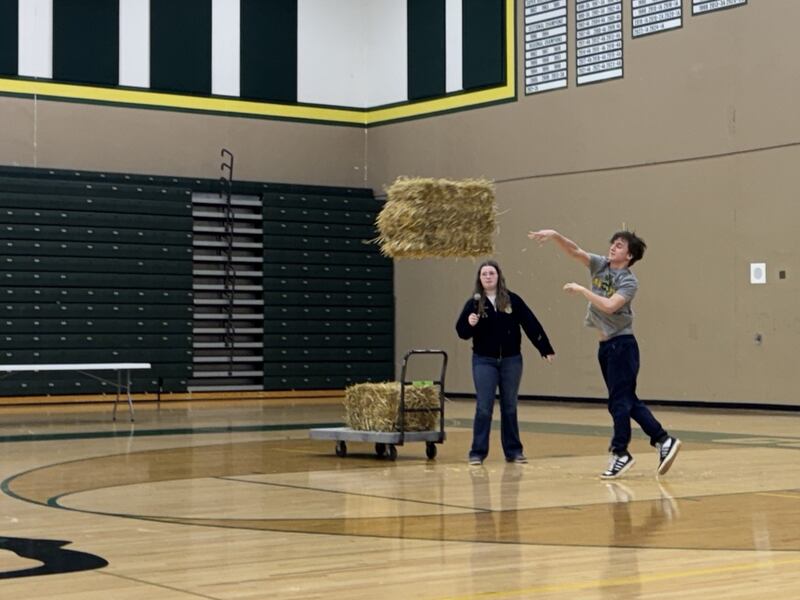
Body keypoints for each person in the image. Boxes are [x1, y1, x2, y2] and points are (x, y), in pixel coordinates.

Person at [527, 229, 681, 479]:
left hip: (623, 346)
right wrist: (555, 236)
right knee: (627, 400)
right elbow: (574, 250)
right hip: (606, 347)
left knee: (619, 403)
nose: (612, 248)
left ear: (629, 255)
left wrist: (582, 290)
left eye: (619, 246)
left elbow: (610, 306)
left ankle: (620, 452)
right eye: (613, 244)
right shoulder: (600, 264)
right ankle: (663, 440)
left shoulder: (629, 281)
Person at [455, 260, 555, 466]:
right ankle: (477, 452)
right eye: (484, 274)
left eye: (491, 273)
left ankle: (514, 451)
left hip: (511, 360)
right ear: (480, 279)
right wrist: (469, 323)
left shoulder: (512, 300)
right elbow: (462, 333)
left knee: (509, 406)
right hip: (484, 361)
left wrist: (544, 347)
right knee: (484, 407)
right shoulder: (474, 304)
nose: (488, 277)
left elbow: (530, 323)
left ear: (498, 276)